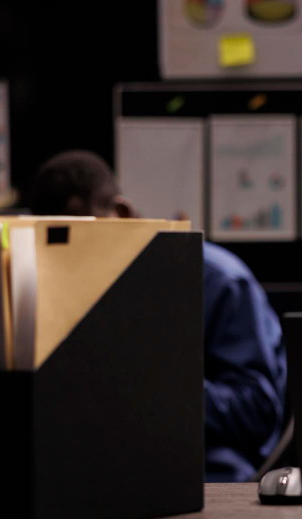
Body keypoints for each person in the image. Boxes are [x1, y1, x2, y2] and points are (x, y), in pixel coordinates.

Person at [31, 150, 287, 483]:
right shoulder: (64, 277)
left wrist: (149, 388)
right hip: (100, 463)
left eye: (81, 232)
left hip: (202, 466)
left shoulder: (217, 281)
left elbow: (257, 410)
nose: (71, 253)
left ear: (121, 213)